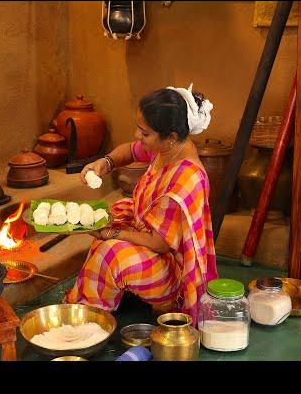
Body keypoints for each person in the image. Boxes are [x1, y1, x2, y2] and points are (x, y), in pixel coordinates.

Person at [63, 82, 219, 325]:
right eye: (139, 128)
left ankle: (86, 322)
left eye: (145, 133)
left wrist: (113, 233)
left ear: (171, 137)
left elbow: (160, 243)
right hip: (148, 235)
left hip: (173, 270)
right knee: (108, 219)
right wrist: (105, 163)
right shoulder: (170, 147)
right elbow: (131, 150)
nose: (138, 136)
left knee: (109, 252)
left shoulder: (186, 178)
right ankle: (100, 304)